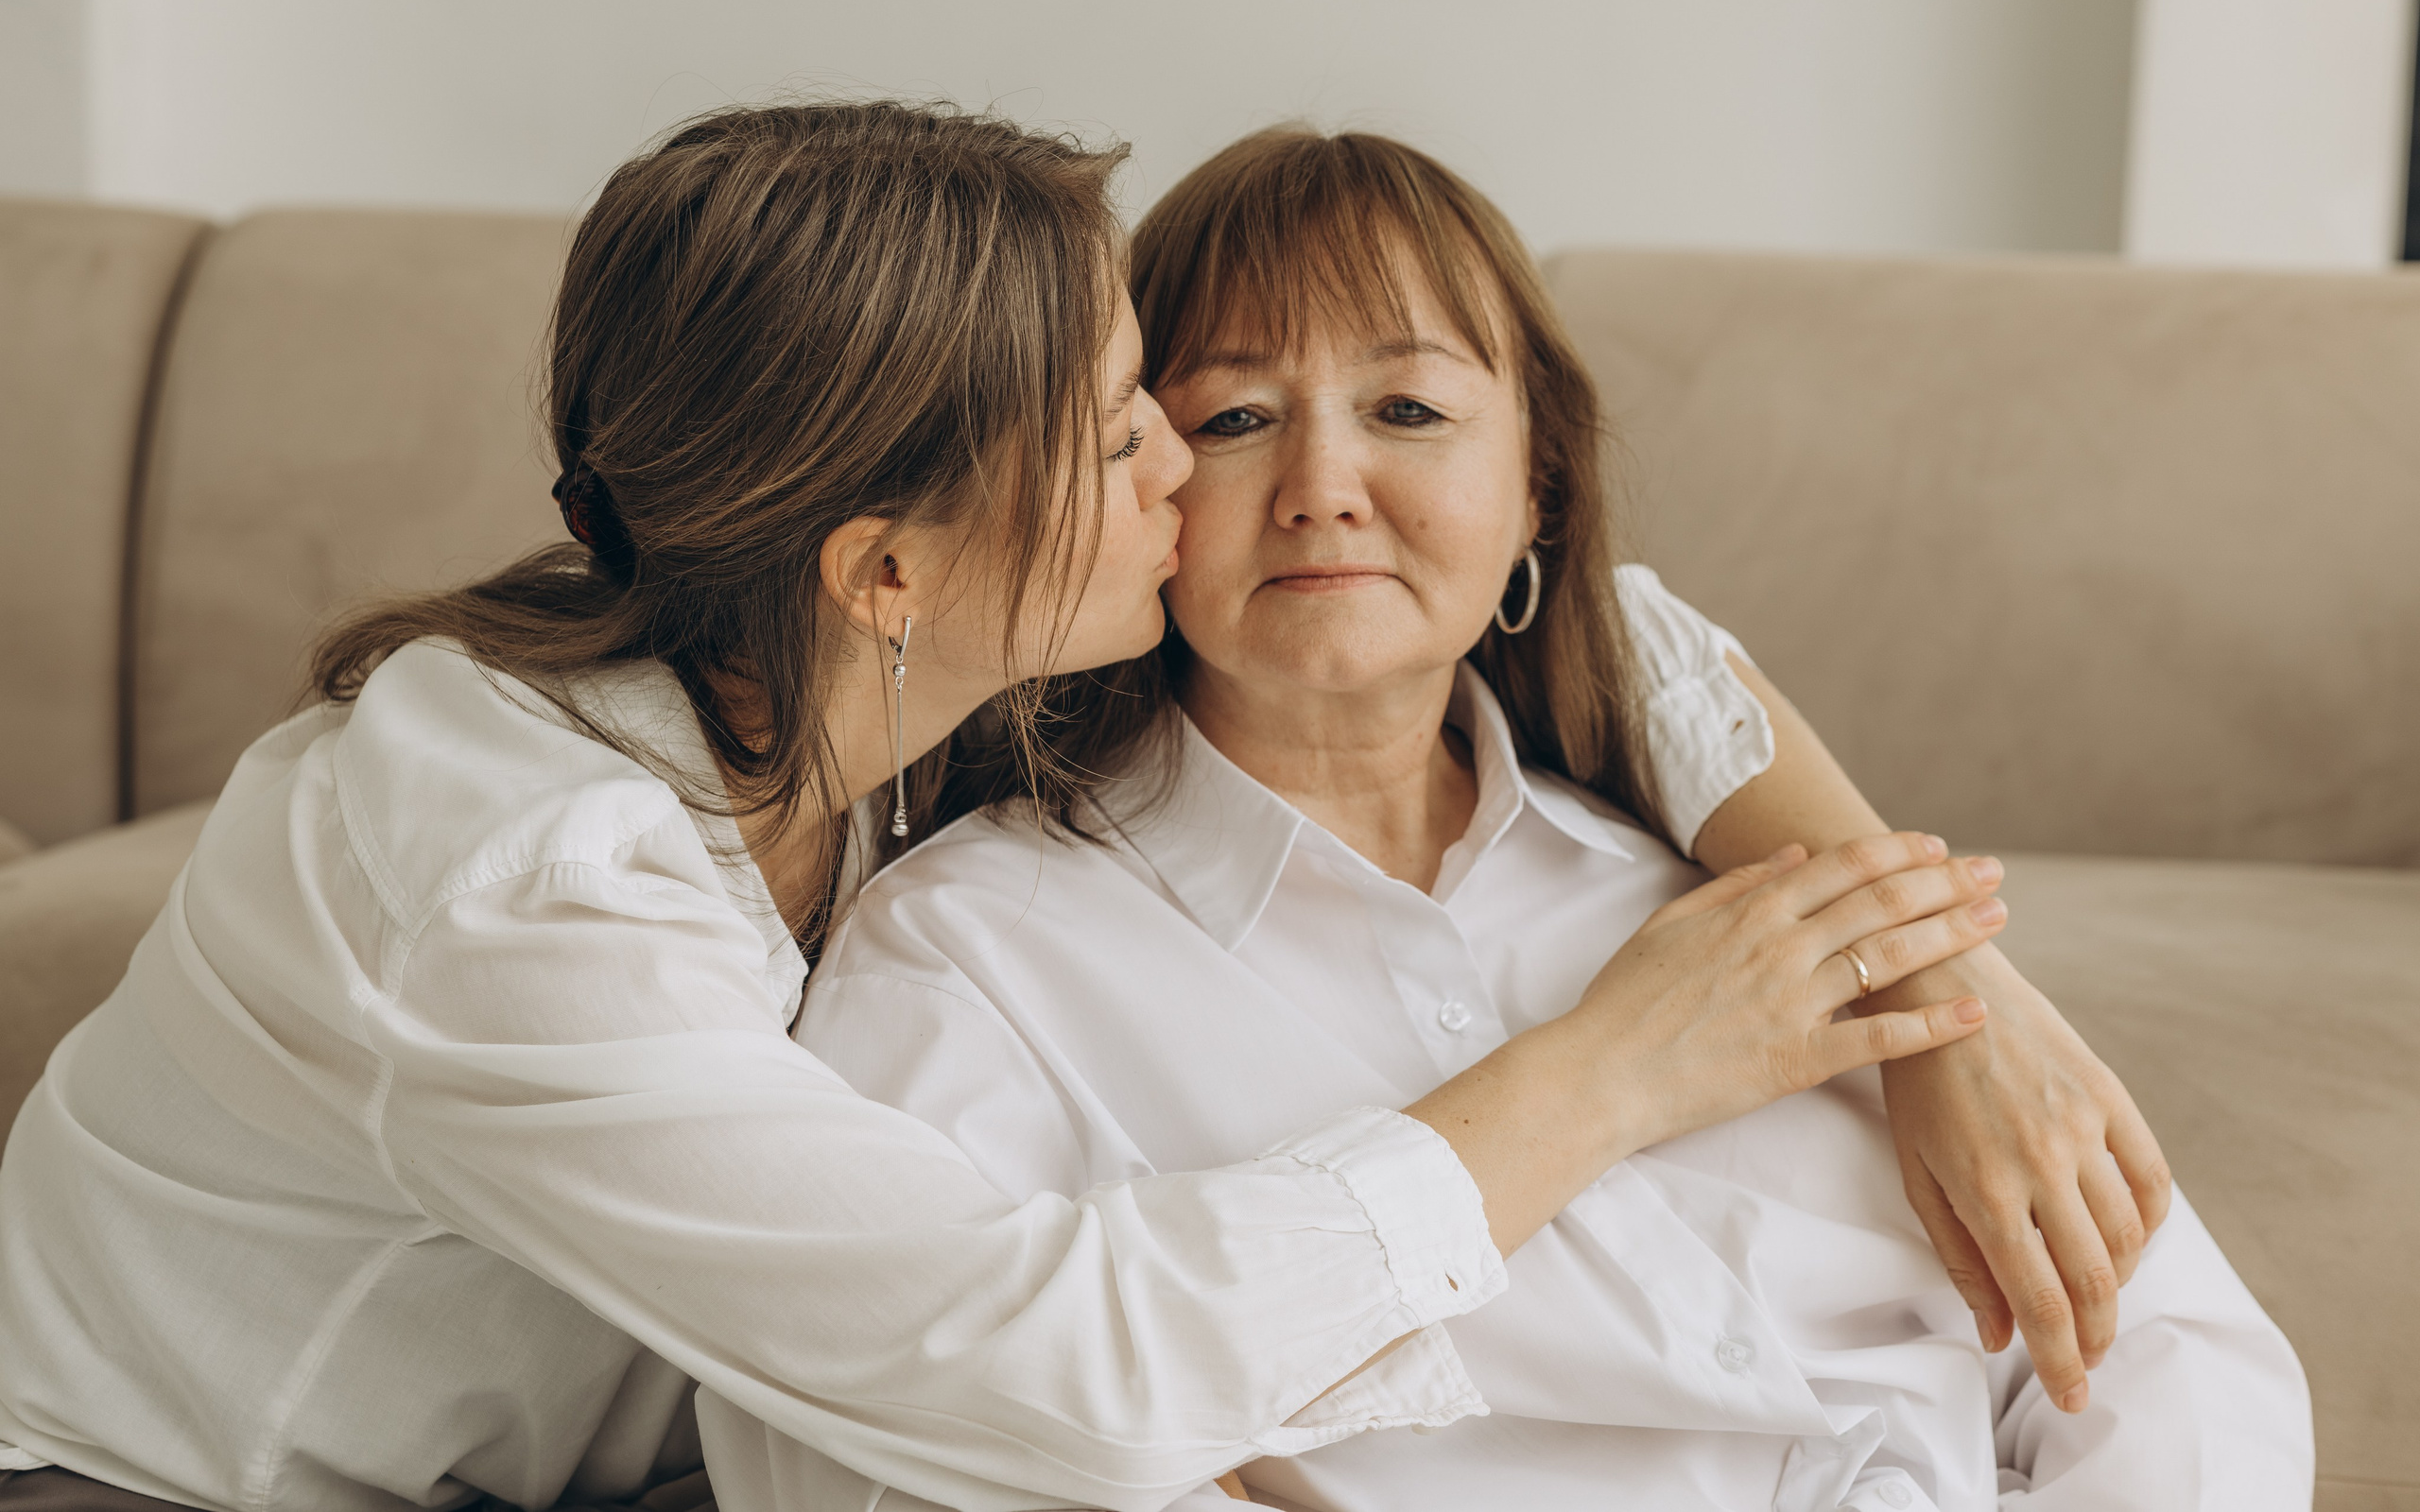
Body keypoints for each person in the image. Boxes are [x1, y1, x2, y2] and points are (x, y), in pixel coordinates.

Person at [0, 103, 1997, 1512]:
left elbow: (1613, 630)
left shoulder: (864, 670)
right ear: (887, 564)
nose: (1185, 476)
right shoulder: (522, 895)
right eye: (1135, 421)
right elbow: (1050, 1361)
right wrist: (1607, 1072)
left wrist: (1967, 1023)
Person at [774, 129, 2311, 1508]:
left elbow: (2173, 1363)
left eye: (1407, 406)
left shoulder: (1749, 892)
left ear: (1539, 489)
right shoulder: (975, 960)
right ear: (1138, 491)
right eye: (1235, 417)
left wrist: (1959, 997)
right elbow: (899, 1448)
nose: (1323, 482)